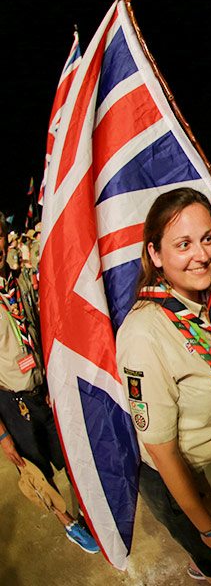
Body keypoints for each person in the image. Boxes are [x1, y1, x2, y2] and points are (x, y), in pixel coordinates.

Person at [116, 188, 211, 584]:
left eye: (207, 238)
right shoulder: (144, 334)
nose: (201, 254)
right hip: (188, 487)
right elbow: (162, 452)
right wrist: (206, 526)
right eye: (183, 244)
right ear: (155, 254)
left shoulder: (202, 305)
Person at [0, 214, 99, 555]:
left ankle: (90, 512)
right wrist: (2, 435)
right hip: (13, 404)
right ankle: (68, 522)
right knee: (37, 471)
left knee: (72, 455)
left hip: (44, 391)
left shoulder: (18, 285)